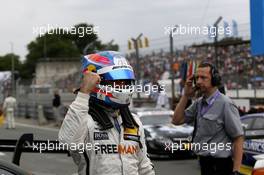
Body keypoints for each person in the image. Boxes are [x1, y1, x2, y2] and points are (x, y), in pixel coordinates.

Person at [59, 51, 155, 175]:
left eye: (126, 82)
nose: (123, 87)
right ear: (98, 81)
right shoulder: (86, 119)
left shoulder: (133, 121)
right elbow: (69, 142)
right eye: (118, 82)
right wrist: (84, 93)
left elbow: (144, 167)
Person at [172, 62, 243, 175]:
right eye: (197, 78)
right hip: (205, 164)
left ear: (214, 79)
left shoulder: (226, 104)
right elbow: (176, 120)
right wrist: (185, 96)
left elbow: (238, 138)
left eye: (203, 77)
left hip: (221, 165)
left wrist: (236, 171)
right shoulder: (199, 103)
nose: (199, 81)